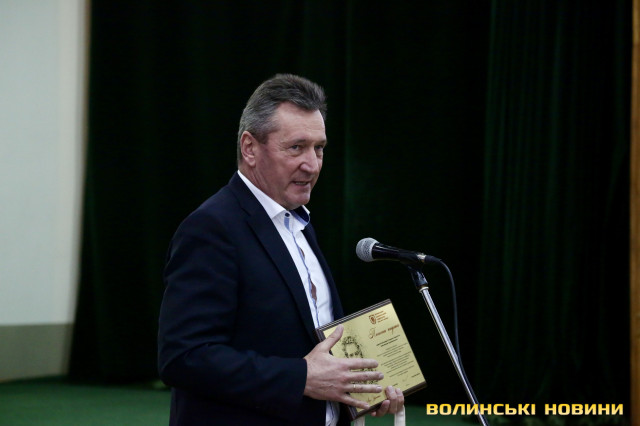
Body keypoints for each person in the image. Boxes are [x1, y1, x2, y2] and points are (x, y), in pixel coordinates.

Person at [157, 74, 404, 425]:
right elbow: (183, 357)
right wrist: (302, 377)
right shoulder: (211, 228)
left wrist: (360, 388)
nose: (312, 164)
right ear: (249, 148)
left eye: (319, 148)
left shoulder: (298, 221)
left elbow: (310, 339)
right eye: (296, 147)